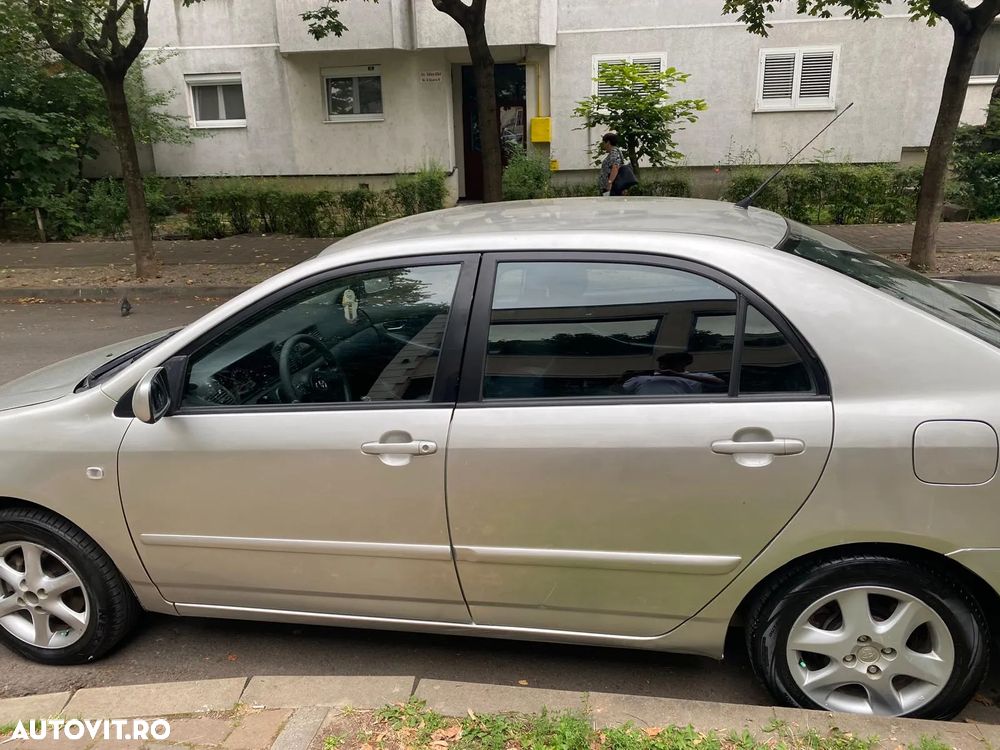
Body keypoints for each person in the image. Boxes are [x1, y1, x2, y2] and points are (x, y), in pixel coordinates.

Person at [621, 352, 725, 396]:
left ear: (683, 364)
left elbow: (720, 383)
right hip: (643, 414)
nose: (663, 366)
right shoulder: (641, 378)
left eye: (669, 363)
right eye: (662, 363)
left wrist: (677, 375)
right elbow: (618, 393)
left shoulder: (698, 377)